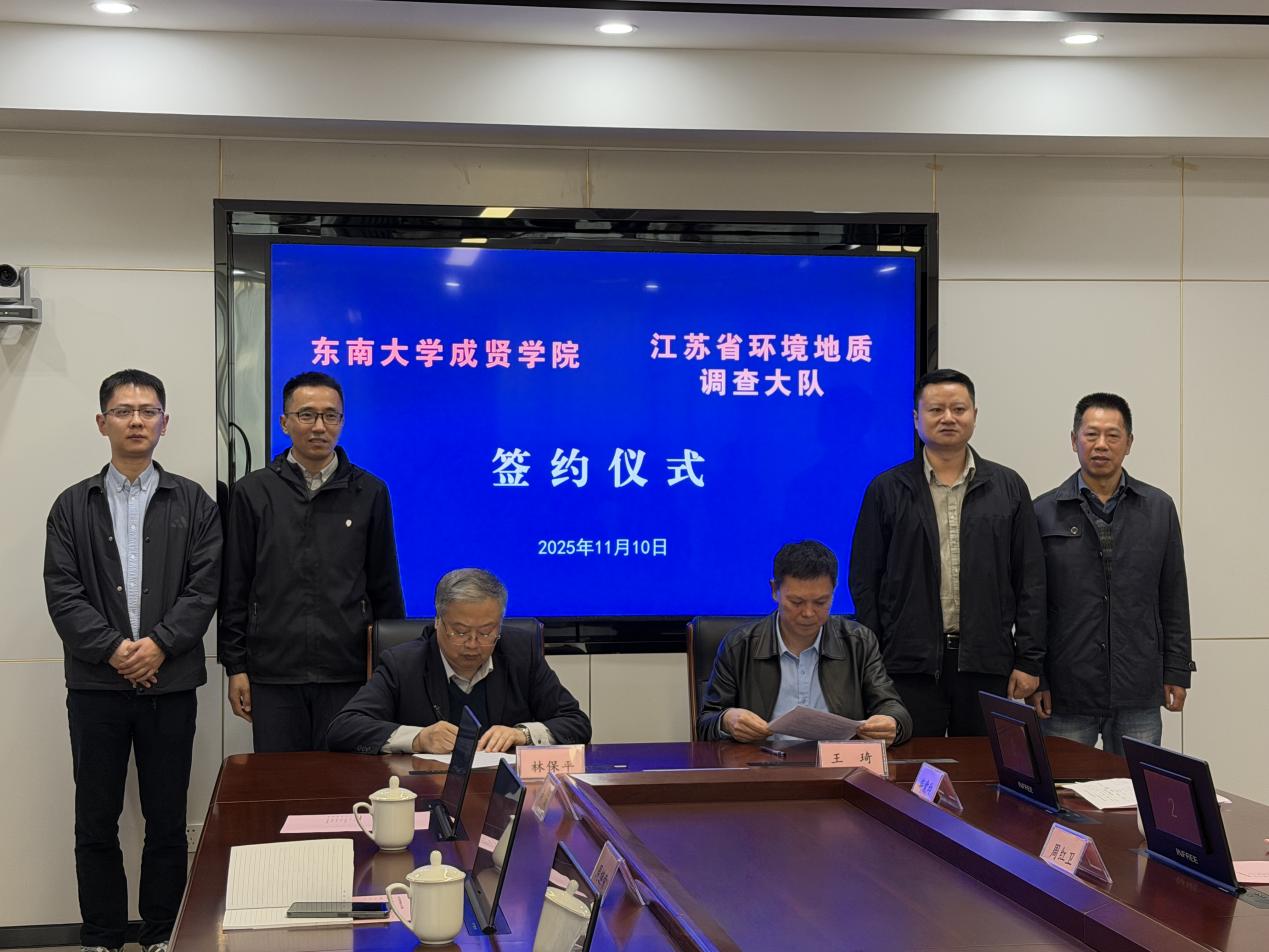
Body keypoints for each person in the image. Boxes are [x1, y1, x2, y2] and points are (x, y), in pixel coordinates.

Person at [44, 369, 221, 952]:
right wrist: (116, 650)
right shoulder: (72, 505)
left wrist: (160, 645)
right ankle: (101, 936)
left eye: (148, 411)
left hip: (170, 685)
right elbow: (63, 593)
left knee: (167, 821)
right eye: (123, 411)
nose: (137, 421)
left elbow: (204, 588)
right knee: (95, 821)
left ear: (165, 423)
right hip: (96, 687)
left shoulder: (193, 502)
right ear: (103, 423)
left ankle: (163, 934)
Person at [849, 368, 1045, 737]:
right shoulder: (887, 489)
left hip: (987, 660)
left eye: (958, 409)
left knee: (983, 764)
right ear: (916, 418)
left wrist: (1029, 659)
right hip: (907, 664)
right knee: (912, 763)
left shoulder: (1008, 487)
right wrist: (874, 659)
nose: (948, 418)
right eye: (936, 409)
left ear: (975, 415)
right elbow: (864, 580)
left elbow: (1030, 579)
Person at [218, 371, 405, 752]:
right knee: (280, 781)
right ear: (285, 422)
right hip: (273, 673)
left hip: (349, 673)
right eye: (306, 415)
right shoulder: (253, 492)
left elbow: (385, 585)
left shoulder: (370, 491)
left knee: (345, 780)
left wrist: (391, 670)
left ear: (342, 421)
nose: (319, 426)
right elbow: (235, 584)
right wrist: (236, 667)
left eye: (330, 415)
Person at [1031, 393, 1194, 753]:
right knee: (1066, 787)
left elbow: (1173, 595)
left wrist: (1177, 669)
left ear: (1129, 443)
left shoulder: (1158, 509)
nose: (1101, 444)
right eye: (1091, 434)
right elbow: (1033, 605)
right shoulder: (1043, 511)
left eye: (1112, 435)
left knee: (1134, 785)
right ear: (1074, 440)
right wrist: (1037, 676)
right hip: (1067, 687)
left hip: (1138, 685)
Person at [327, 568, 590, 753]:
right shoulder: (403, 663)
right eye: (460, 632)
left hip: (503, 794)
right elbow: (343, 729)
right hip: (427, 790)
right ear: (438, 622)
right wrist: (418, 738)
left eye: (486, 632)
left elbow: (576, 724)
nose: (473, 644)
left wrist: (523, 734)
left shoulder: (521, 653)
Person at [696, 540, 911, 746]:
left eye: (820, 602)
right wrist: (727, 720)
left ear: (834, 592)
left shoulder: (858, 643)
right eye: (796, 602)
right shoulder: (739, 645)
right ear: (774, 590)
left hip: (838, 764)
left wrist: (891, 723)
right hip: (762, 763)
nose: (808, 613)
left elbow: (893, 708)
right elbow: (705, 723)